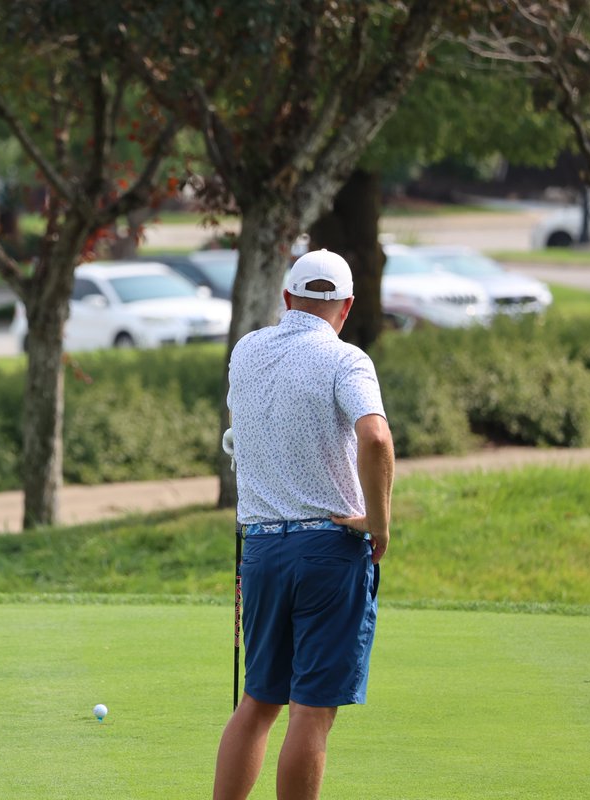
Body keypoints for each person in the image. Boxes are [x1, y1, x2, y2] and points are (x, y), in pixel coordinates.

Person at [214, 249, 395, 799]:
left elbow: (241, 433)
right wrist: (379, 523)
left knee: (260, 700)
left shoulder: (246, 351)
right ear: (345, 307)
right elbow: (377, 437)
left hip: (262, 552)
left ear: (287, 298)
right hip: (329, 550)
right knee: (311, 712)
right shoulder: (347, 360)